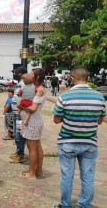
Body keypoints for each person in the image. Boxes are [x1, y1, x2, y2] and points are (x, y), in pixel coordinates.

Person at [53, 66, 106, 208]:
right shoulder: (99, 97)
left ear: (72, 78)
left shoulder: (64, 96)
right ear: (88, 79)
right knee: (88, 177)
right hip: (89, 143)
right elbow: (100, 121)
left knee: (67, 176)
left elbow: (56, 120)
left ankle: (65, 205)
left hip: (67, 142)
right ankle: (84, 205)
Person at [17, 68, 46, 180]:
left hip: (33, 121)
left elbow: (33, 108)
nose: (29, 75)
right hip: (35, 121)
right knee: (37, 146)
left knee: (32, 148)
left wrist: (21, 107)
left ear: (37, 77)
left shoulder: (39, 90)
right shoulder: (36, 88)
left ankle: (31, 173)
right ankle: (39, 170)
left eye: (31, 74)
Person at [10, 66, 27, 164]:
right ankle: (18, 152)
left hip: (20, 112)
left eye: (17, 73)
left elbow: (23, 98)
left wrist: (20, 110)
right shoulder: (19, 83)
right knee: (16, 134)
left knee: (19, 135)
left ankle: (21, 154)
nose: (15, 75)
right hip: (16, 111)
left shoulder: (24, 84)